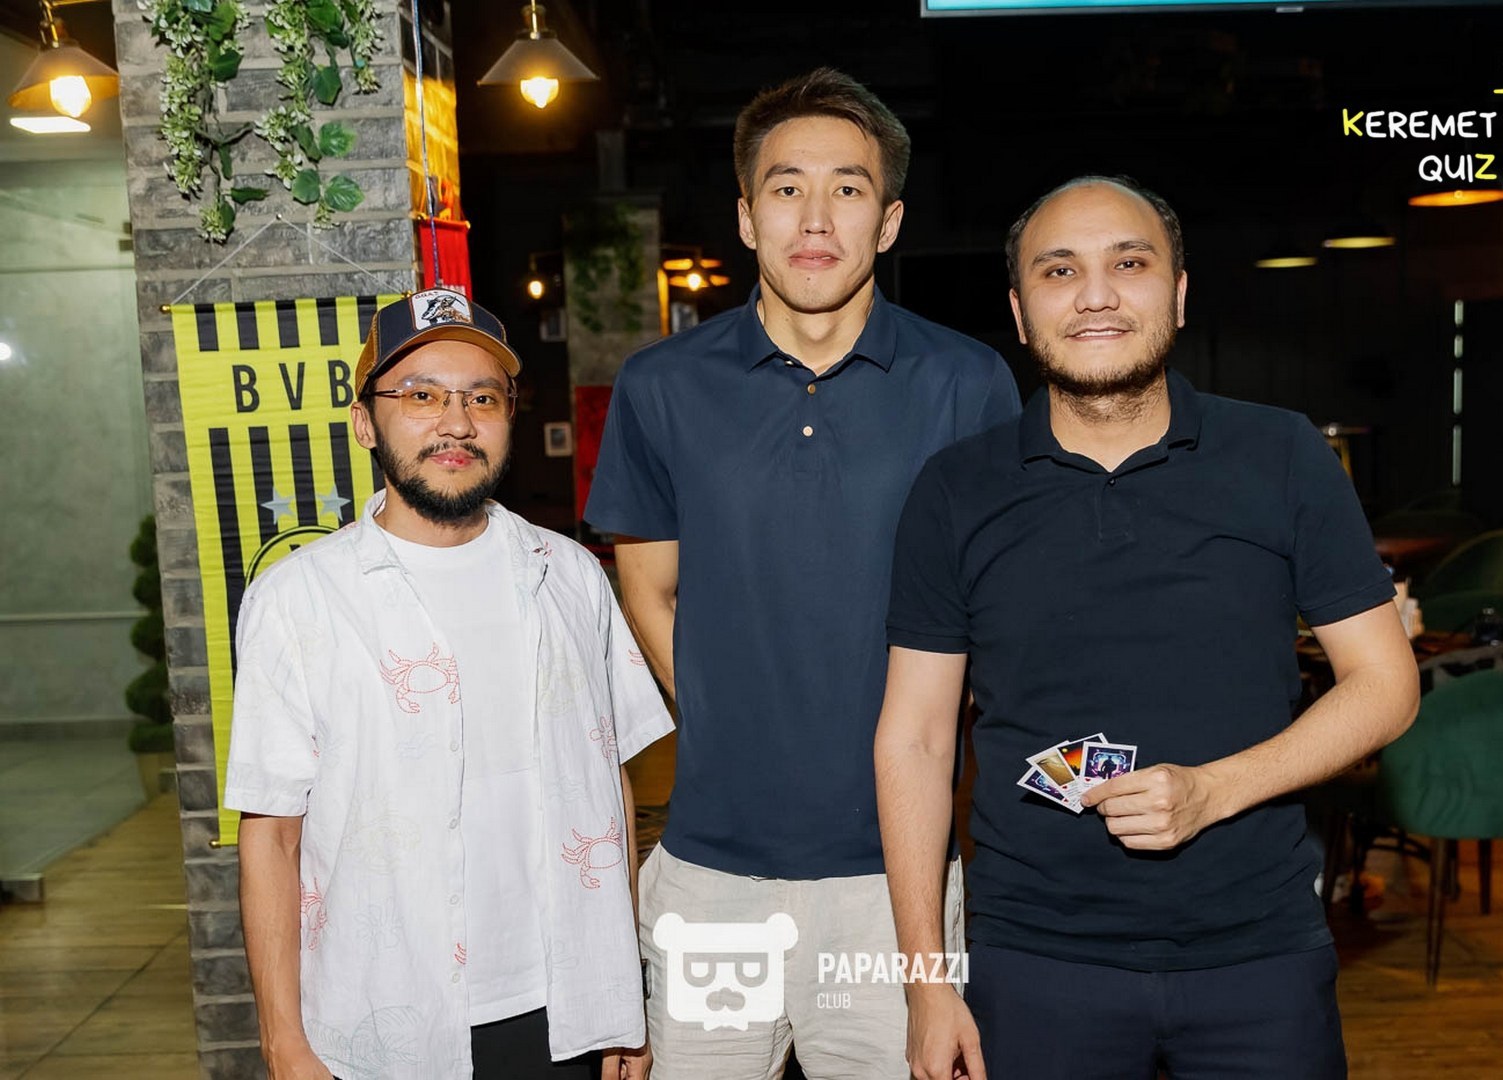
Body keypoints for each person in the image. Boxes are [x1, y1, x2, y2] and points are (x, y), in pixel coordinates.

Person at [875, 176, 1420, 1080]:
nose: (1095, 295)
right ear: (1018, 312)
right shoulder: (954, 489)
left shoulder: (1281, 454)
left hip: (1260, 952)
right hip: (1034, 958)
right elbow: (915, 741)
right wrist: (926, 985)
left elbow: (1386, 685)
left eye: (1128, 263)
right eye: (1059, 271)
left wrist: (1213, 790)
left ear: (1177, 292)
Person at [584, 69, 1021, 1079]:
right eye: (786, 188)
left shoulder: (966, 382)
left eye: (847, 189)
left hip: (895, 887)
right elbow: (648, 588)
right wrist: (724, 720)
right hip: (711, 881)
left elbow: (999, 610)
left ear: (889, 220)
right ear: (746, 216)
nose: (814, 218)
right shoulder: (661, 385)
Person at [226, 288, 670, 1080]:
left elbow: (611, 791)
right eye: (421, 396)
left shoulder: (569, 576)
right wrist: (282, 1039)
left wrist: (621, 998)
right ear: (365, 422)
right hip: (381, 1016)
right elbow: (272, 833)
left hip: (562, 1009)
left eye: (481, 397)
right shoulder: (298, 600)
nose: (456, 423)